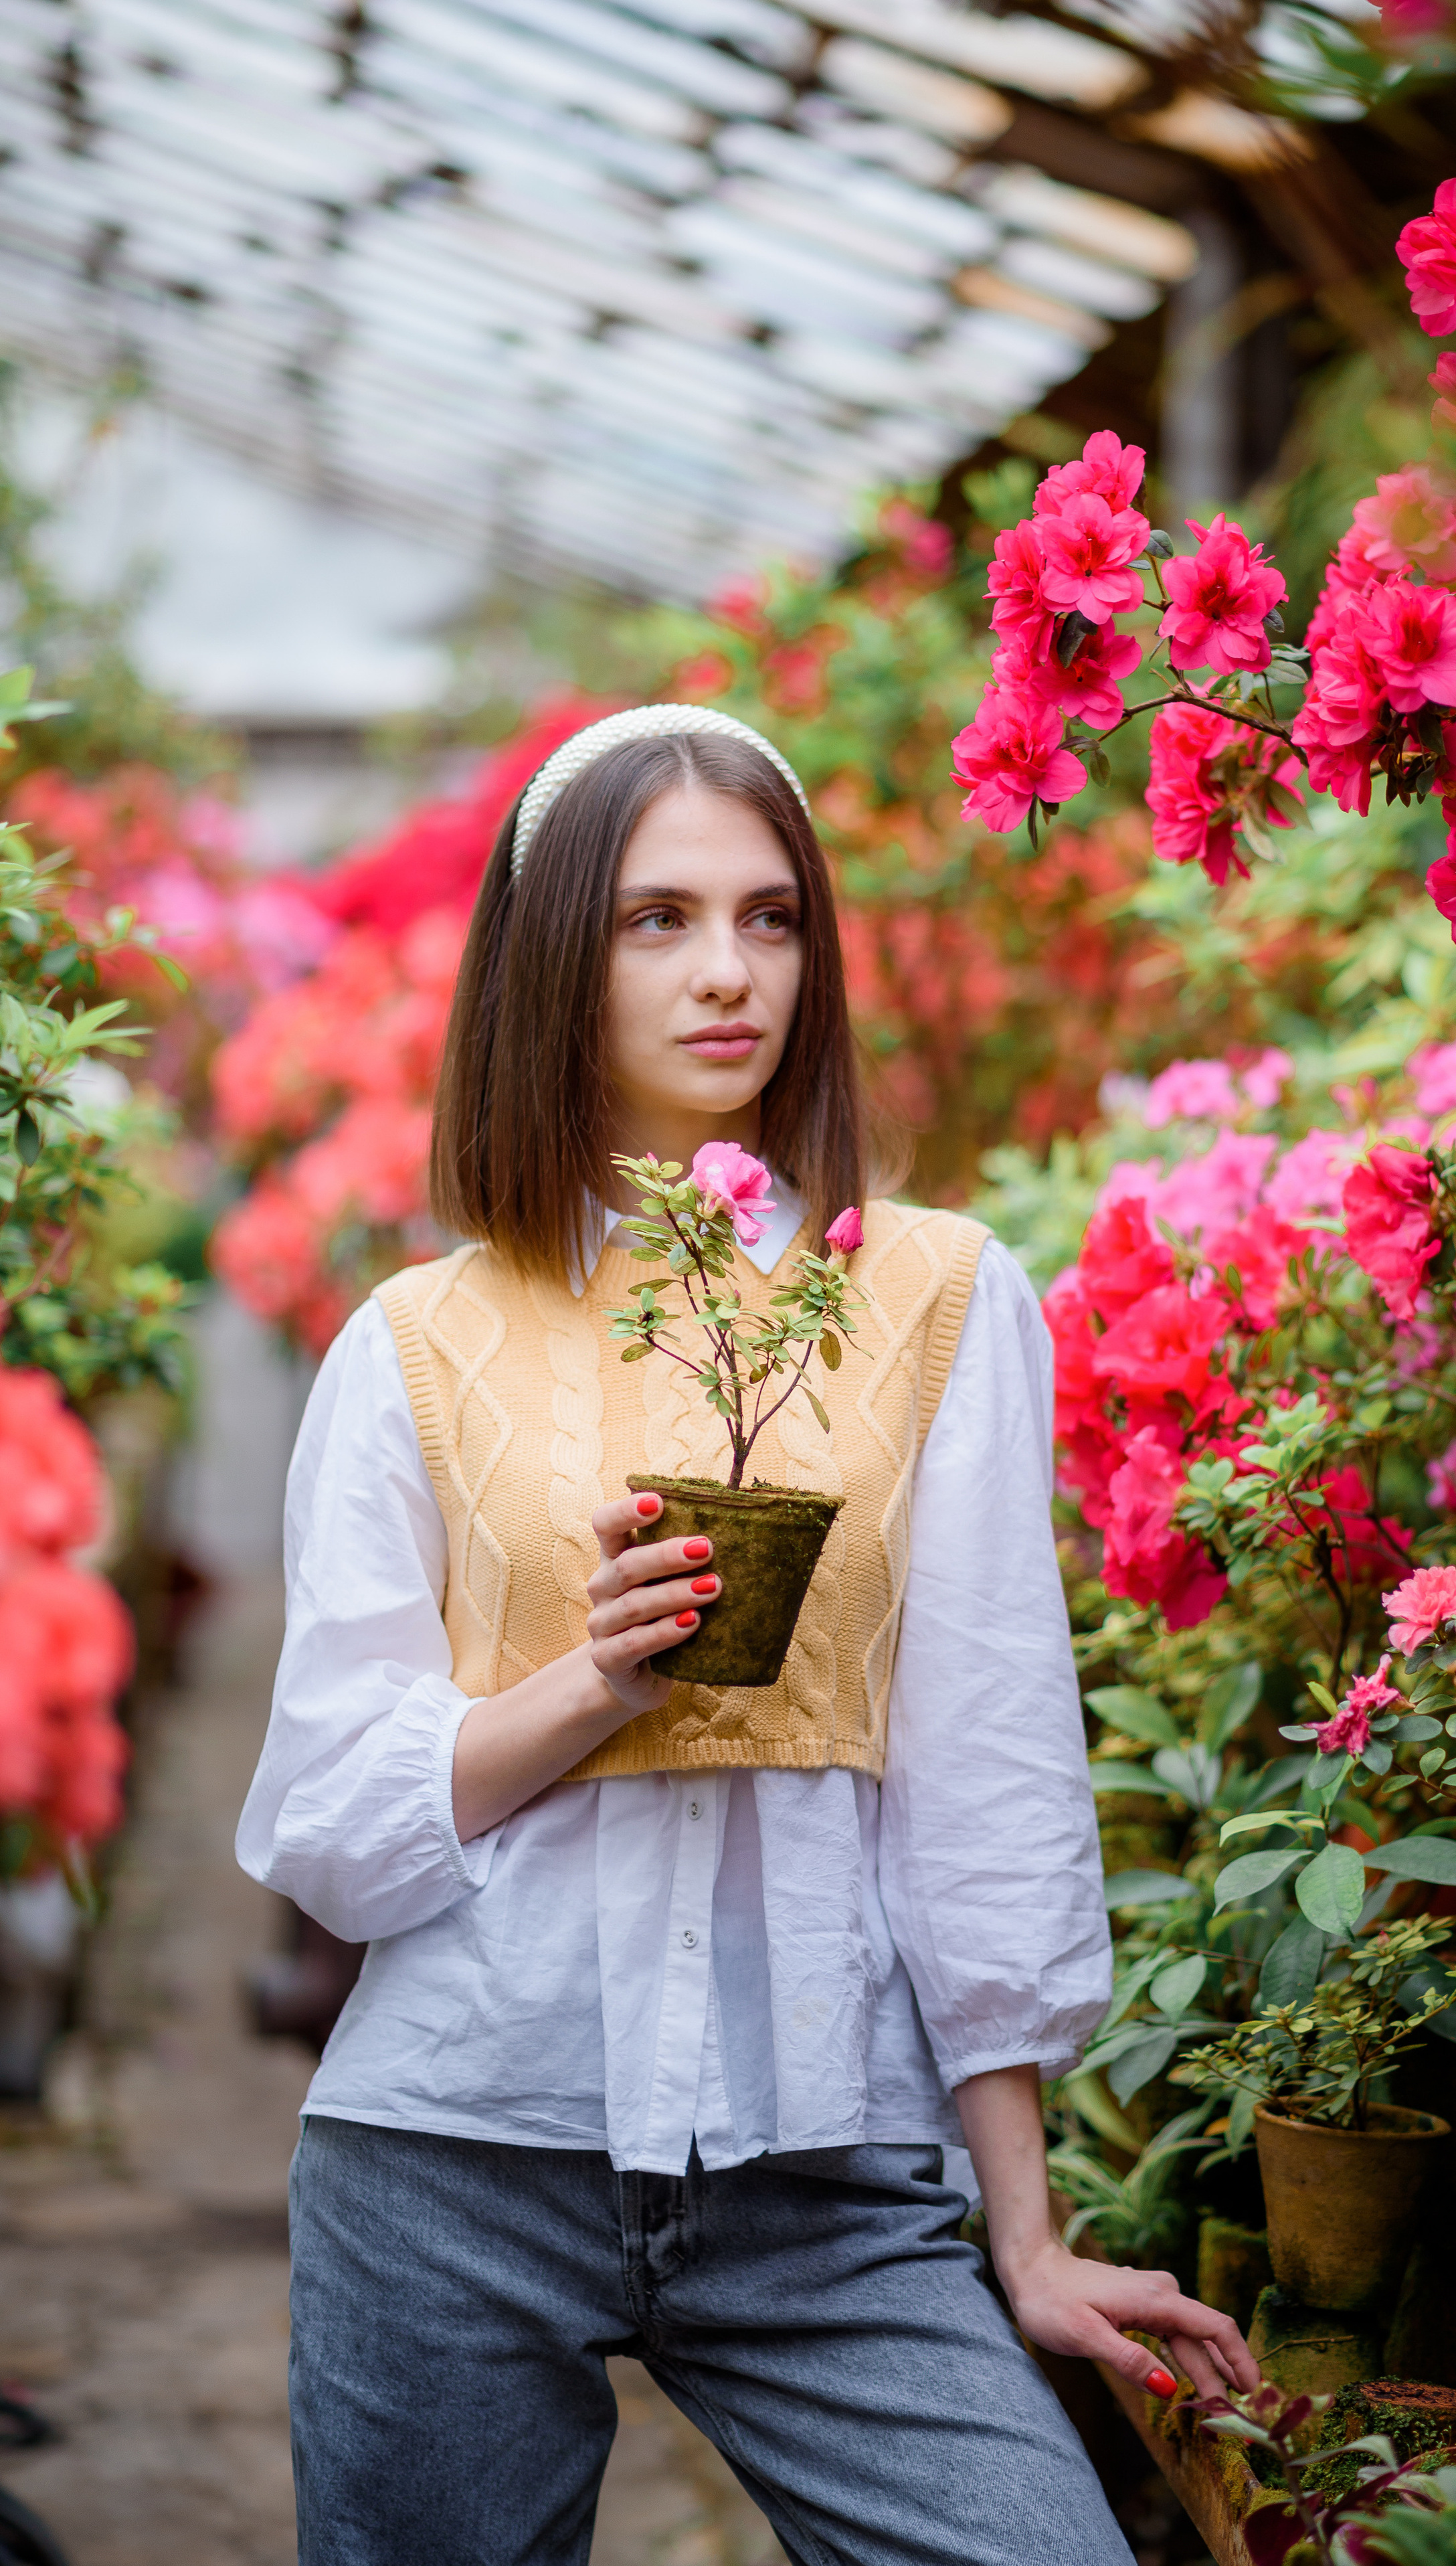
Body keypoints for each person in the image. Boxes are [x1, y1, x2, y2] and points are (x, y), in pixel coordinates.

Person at [238, 705, 1257, 2566]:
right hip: (455, 2157)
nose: (731, 972)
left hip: (829, 2180)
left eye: (771, 918)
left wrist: (1024, 2237)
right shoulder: (414, 1344)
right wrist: (591, 1681)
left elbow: (984, 1777)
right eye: (660, 919)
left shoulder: (935, 1295)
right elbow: (330, 1825)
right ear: (555, 956)